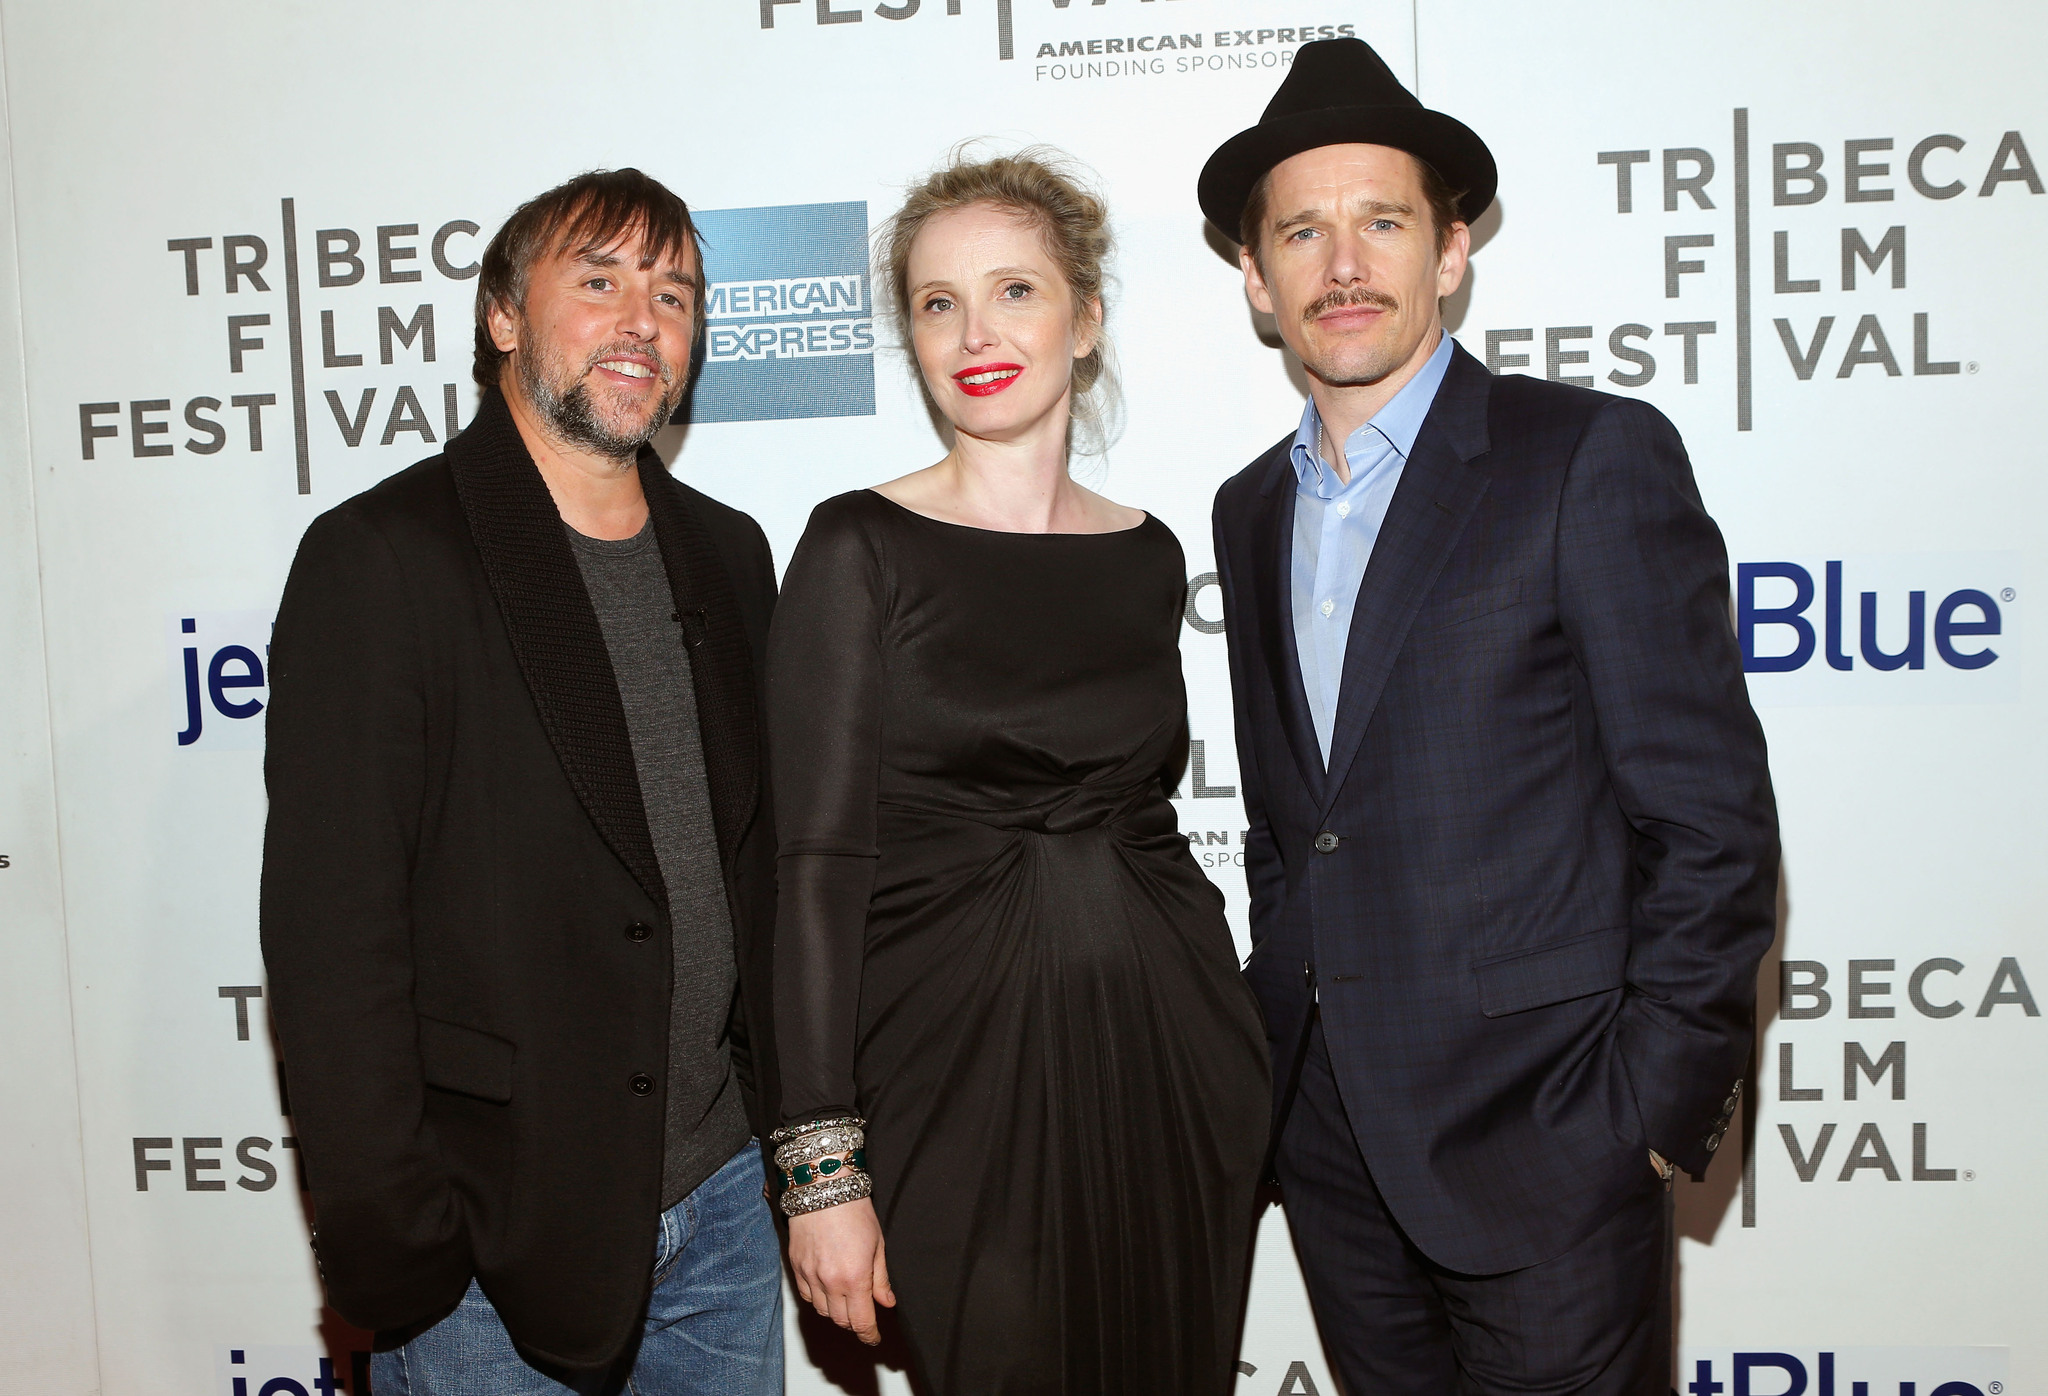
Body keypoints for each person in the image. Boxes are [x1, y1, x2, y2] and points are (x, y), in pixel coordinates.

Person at [1203, 39, 1780, 1395]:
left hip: (1552, 1144)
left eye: (1383, 221)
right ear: (1256, 280)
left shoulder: (1584, 457)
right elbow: (1296, 832)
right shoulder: (1250, 509)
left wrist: (1644, 1116)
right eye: (1303, 231)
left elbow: (1711, 824)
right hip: (1334, 1156)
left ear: (1450, 251)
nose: (1343, 262)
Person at [260, 169, 784, 1396]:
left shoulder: (732, 552)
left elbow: (759, 871)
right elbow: (333, 942)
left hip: (724, 1212)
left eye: (671, 293)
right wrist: (404, 1248)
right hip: (491, 1250)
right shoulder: (381, 559)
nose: (640, 321)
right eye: (596, 280)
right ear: (503, 315)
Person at [765, 149, 1268, 1395]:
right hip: (948, 1074)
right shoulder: (856, 545)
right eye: (937, 303)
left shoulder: (1147, 553)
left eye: (1013, 291)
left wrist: (1229, 1035)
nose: (974, 332)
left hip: (1167, 1060)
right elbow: (815, 871)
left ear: (1083, 318)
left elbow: (1140, 814)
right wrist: (824, 1171)